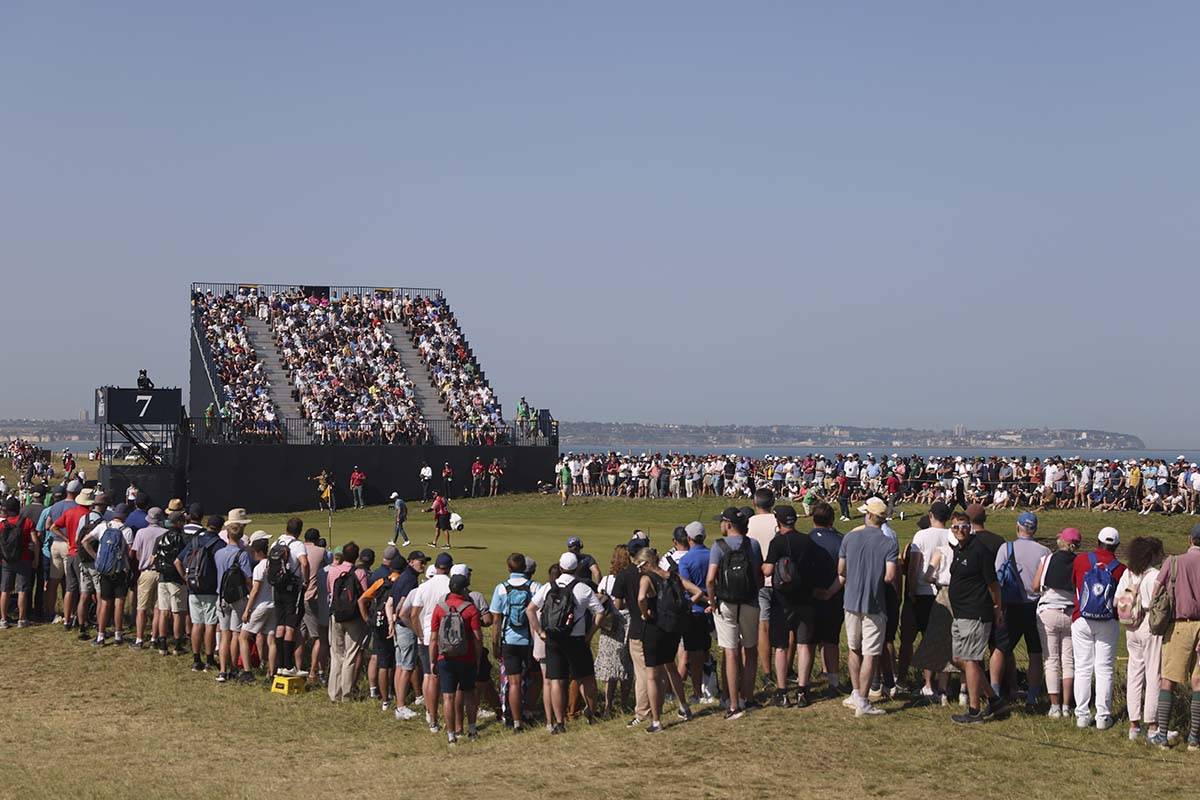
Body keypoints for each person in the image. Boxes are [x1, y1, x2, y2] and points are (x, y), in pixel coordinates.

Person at [527, 552, 605, 733]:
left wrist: (540, 632)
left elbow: (530, 610)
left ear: (560, 567)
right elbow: (600, 613)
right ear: (577, 567)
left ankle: (559, 723)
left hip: (553, 639)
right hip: (576, 639)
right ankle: (592, 714)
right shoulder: (583, 588)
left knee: (556, 681)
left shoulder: (548, 586)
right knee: (586, 677)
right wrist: (590, 634)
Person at [836, 497, 897, 717]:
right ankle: (862, 698)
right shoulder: (888, 543)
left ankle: (856, 693)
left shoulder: (850, 537)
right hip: (875, 602)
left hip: (851, 600)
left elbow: (841, 569)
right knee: (871, 652)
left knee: (855, 647)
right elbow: (890, 576)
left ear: (869, 516)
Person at [947, 510, 1006, 724]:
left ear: (970, 527)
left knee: (971, 660)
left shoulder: (979, 551)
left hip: (976, 613)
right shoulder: (958, 549)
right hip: (961, 614)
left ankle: (974, 711)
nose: (960, 530)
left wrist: (997, 608)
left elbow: (993, 584)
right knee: (958, 659)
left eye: (963, 526)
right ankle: (993, 698)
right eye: (955, 527)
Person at [705, 507, 763, 719]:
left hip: (726, 602)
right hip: (750, 601)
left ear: (728, 525)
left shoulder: (718, 546)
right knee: (750, 649)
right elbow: (757, 574)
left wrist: (712, 601)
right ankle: (748, 696)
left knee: (731, 652)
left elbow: (711, 579)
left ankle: (733, 703)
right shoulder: (753, 544)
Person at [634, 547, 701, 732]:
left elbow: (641, 599)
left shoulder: (646, 578)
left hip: (654, 629)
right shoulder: (673, 576)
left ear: (647, 563)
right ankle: (684, 707)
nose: (639, 570)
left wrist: (645, 614)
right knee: (671, 667)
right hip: (672, 629)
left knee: (652, 676)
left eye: (640, 566)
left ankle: (656, 720)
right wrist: (687, 605)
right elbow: (697, 592)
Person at [1149, 523, 1200, 748]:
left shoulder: (1174, 561)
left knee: (1168, 680)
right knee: (1198, 682)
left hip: (1180, 624)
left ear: (1190, 539)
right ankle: (1194, 738)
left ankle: (1161, 733)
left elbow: (1156, 593)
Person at [992, 511, 1049, 708]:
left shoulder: (1005, 548)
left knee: (1001, 649)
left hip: (1010, 604)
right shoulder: (1044, 552)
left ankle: (995, 691)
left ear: (1018, 527)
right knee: (1035, 652)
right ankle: (1032, 696)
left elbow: (997, 579)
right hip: (1034, 606)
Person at [1071, 526, 1125, 729]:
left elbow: (1075, 584)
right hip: (1108, 621)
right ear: (1116, 546)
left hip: (1082, 619)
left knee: (1083, 668)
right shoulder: (1120, 569)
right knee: (1104, 669)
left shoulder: (1081, 560)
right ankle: (1103, 716)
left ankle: (1082, 715)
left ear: (1098, 541)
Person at [763, 504, 817, 707]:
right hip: (805, 597)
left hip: (782, 599)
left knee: (781, 647)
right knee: (803, 645)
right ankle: (803, 690)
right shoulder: (806, 540)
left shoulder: (777, 542)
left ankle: (782, 690)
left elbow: (768, 570)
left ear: (778, 522)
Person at [1118, 536, 1165, 742]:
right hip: (1149, 623)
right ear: (1152, 555)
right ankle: (1153, 724)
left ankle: (1133, 724)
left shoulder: (1128, 574)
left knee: (1134, 673)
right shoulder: (1154, 575)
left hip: (1131, 625)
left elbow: (1116, 599)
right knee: (1153, 673)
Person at [1031, 527, 1081, 718]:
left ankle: (1054, 706)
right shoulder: (1078, 561)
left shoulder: (1047, 559)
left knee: (1051, 660)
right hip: (1070, 613)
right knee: (1069, 661)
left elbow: (1035, 586)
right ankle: (1068, 705)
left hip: (1048, 611)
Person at [429, 572, 484, 744]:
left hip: (444, 658)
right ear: (464, 589)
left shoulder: (440, 608)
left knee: (448, 697)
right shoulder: (470, 608)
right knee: (469, 694)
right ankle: (472, 730)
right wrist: (478, 658)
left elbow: (433, 638)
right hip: (466, 658)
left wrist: (432, 661)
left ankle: (451, 735)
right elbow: (477, 638)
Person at [491, 552, 541, 730]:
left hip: (509, 641)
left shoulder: (501, 588)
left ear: (509, 568)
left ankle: (516, 721)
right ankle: (528, 710)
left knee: (514, 683)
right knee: (536, 678)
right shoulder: (535, 586)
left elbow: (496, 620)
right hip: (530, 641)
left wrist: (495, 644)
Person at [405, 551, 453, 732]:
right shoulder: (451, 585)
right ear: (449, 567)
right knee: (449, 678)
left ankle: (432, 718)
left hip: (426, 637)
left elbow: (413, 614)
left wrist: (419, 634)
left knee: (430, 675)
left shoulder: (424, 586)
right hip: (448, 638)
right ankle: (452, 721)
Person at [175, 514, 224, 671]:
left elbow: (177, 561)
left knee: (197, 623)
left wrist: (185, 579)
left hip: (193, 588)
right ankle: (209, 659)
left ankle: (196, 659)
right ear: (220, 528)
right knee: (210, 624)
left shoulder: (194, 540)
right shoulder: (219, 544)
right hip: (210, 589)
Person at [359, 545, 403, 710]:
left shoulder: (378, 579)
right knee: (391, 662)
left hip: (377, 622)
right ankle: (391, 694)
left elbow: (362, 600)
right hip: (392, 623)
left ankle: (380, 695)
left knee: (379, 659)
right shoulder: (401, 582)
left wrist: (367, 620)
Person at [387, 550, 429, 720]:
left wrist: (393, 622)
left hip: (399, 626)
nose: (423, 565)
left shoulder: (403, 576)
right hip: (406, 627)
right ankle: (401, 706)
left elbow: (392, 603)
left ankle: (399, 703)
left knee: (400, 665)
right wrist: (414, 628)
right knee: (406, 667)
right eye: (421, 562)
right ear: (411, 562)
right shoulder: (410, 580)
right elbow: (403, 607)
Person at [807, 502, 845, 692]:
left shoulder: (806, 540)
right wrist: (830, 591)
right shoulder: (841, 540)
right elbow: (844, 572)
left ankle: (803, 682)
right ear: (832, 520)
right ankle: (833, 681)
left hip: (810, 596)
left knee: (809, 641)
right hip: (835, 595)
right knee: (831, 640)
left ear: (813, 519)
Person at [676, 521, 714, 703]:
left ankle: (698, 692)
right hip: (712, 608)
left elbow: (685, 587)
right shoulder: (712, 555)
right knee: (706, 651)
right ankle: (711, 687)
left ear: (689, 538)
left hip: (695, 610)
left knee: (695, 654)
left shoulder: (686, 560)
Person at [326, 542, 369, 702]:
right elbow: (364, 596)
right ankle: (346, 693)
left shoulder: (333, 570)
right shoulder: (360, 572)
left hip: (336, 614)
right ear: (356, 556)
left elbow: (330, 590)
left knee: (336, 654)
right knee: (350, 654)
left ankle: (333, 692)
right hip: (354, 617)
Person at [746, 488, 778, 689]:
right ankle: (786, 668)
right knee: (785, 627)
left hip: (759, 580)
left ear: (755, 503)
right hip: (780, 579)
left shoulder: (749, 523)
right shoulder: (778, 521)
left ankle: (768, 673)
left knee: (763, 628)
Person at [270, 518, 310, 677]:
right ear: (299, 531)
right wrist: (305, 581)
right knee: (290, 626)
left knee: (279, 625)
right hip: (291, 588)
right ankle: (288, 665)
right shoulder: (298, 545)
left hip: (277, 586)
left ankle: (280, 665)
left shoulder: (276, 542)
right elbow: (304, 563)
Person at [213, 524, 252, 682]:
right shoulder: (242, 555)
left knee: (224, 634)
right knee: (236, 633)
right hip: (237, 597)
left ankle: (222, 670)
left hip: (221, 595)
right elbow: (248, 578)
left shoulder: (218, 553)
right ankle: (233, 667)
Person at [128, 507, 166, 649]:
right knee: (158, 607)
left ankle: (139, 639)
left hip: (146, 571)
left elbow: (136, 554)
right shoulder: (165, 533)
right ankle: (154, 637)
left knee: (141, 608)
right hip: (161, 572)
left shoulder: (141, 533)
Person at [153, 511, 190, 655]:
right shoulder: (183, 539)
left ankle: (162, 645)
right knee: (178, 613)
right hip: (176, 579)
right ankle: (177, 645)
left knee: (163, 612)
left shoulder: (160, 538)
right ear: (180, 523)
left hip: (162, 578)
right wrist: (184, 577)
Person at [240, 534, 275, 682]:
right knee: (271, 639)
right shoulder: (274, 565)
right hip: (274, 605)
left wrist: (247, 610)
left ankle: (247, 672)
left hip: (260, 605)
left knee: (243, 637)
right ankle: (271, 673)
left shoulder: (260, 567)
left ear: (257, 551)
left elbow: (255, 590)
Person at [0, 497, 39, 629]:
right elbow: (35, 541)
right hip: (24, 558)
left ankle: (4, 619)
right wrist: (36, 558)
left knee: (5, 590)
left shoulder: (2, 524)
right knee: (22, 590)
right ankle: (22, 619)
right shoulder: (27, 522)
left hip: (6, 560)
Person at [301, 528, 330, 685]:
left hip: (296, 597)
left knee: (300, 636)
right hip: (312, 598)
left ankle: (298, 667)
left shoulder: (297, 549)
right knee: (319, 637)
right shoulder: (321, 551)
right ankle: (314, 672)